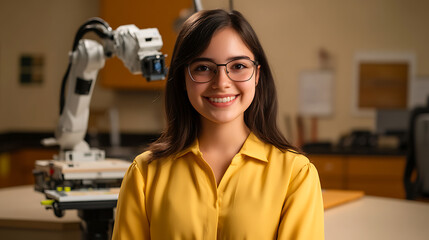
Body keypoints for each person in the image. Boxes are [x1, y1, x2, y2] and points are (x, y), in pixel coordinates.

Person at [112, 9, 324, 239]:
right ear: (183, 78)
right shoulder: (144, 174)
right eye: (203, 68)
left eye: (238, 66)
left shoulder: (296, 174)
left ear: (257, 75)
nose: (222, 83)